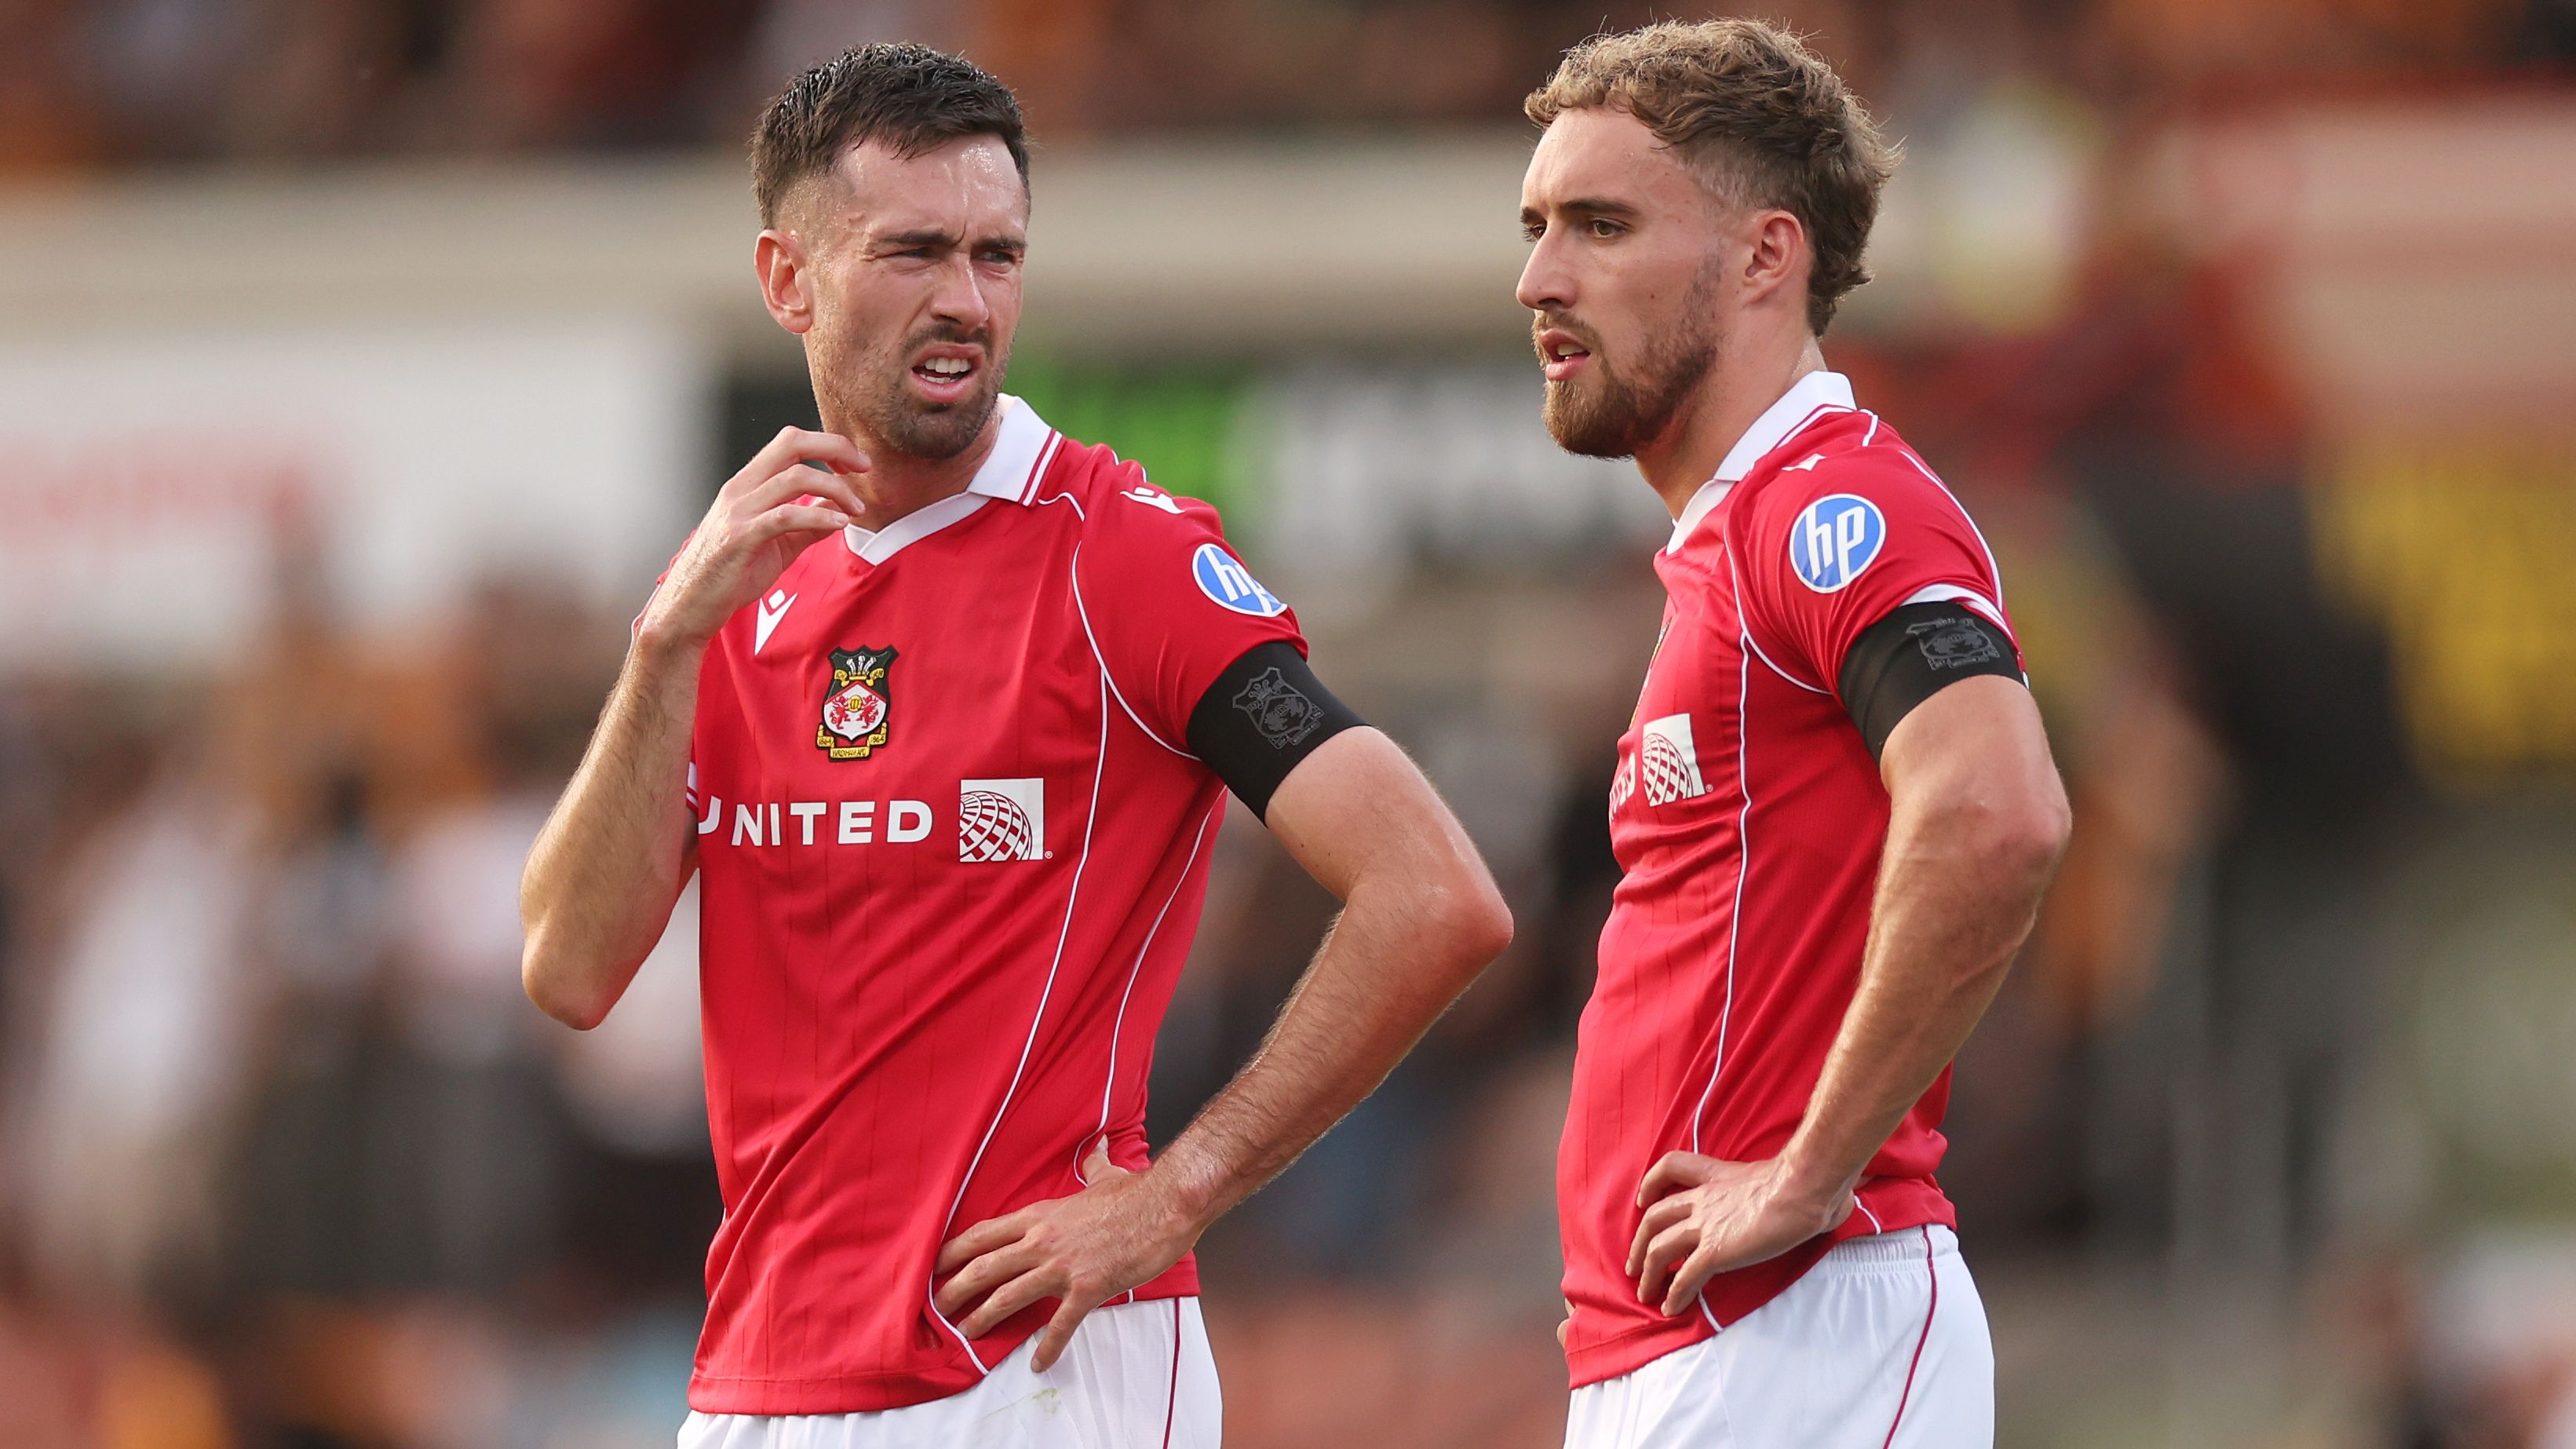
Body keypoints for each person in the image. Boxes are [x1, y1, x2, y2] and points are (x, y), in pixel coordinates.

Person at [518, 43, 1512, 1448]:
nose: (965, 303)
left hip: (1035, 1371)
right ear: (786, 279)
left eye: (997, 255)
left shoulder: (1124, 557)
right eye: (913, 252)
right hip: (756, 1381)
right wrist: (663, 640)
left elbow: (1434, 892)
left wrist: (1175, 1191)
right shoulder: (734, 586)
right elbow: (567, 968)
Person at [1515, 20, 2073, 1447]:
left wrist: (1809, 1171)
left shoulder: (1837, 513)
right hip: (1697, 1344)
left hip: (1799, 1328)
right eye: (1536, 227)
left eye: (1600, 224)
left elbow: (1997, 810)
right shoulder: (1734, 539)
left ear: (1765, 257)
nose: (1539, 279)